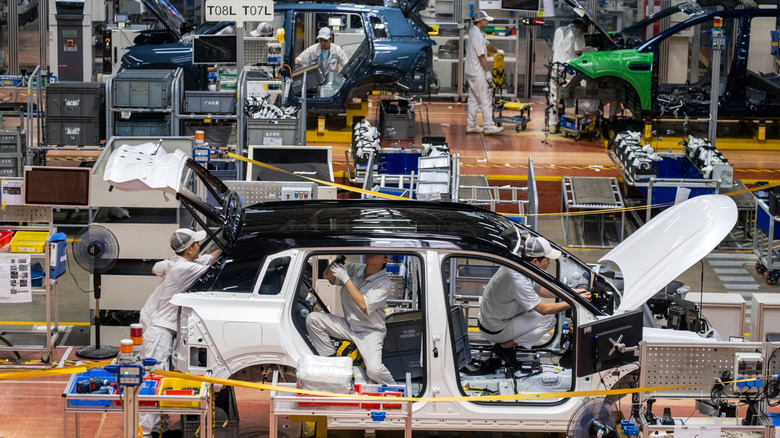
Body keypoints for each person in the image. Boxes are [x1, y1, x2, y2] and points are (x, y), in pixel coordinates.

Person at [138, 228, 222, 438]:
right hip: (159, 330)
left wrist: (221, 246)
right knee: (153, 381)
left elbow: (154, 268)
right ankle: (145, 433)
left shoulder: (174, 264)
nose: (199, 246)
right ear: (188, 249)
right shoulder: (183, 269)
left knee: (160, 378)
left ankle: (159, 430)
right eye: (197, 244)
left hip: (157, 325)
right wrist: (225, 247)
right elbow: (210, 267)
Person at [477, 236, 590, 366]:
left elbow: (540, 289)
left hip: (492, 320)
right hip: (496, 329)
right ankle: (504, 347)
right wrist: (574, 302)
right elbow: (544, 310)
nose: (549, 263)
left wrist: (572, 293)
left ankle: (507, 344)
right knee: (549, 319)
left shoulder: (522, 263)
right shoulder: (517, 279)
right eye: (547, 260)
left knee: (534, 310)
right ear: (536, 260)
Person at [305, 254, 395, 385]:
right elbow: (327, 276)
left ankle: (396, 389)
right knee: (313, 319)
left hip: (369, 331)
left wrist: (346, 279)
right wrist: (338, 260)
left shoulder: (384, 283)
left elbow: (364, 305)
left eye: (377, 253)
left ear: (385, 259)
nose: (371, 254)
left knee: (374, 370)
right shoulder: (355, 269)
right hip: (349, 325)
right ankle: (332, 361)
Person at [465, 10, 505, 135]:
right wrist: (488, 73)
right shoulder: (477, 35)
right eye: (486, 20)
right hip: (478, 72)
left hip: (471, 71)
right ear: (481, 21)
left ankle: (471, 125)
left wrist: (497, 51)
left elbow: (487, 44)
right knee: (485, 99)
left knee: (473, 100)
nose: (487, 22)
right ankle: (489, 126)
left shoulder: (475, 32)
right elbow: (481, 56)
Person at [547, 18, 588, 133]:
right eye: (585, 29)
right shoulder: (578, 32)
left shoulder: (558, 30)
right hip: (569, 69)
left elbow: (555, 48)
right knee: (575, 93)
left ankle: (552, 125)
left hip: (556, 67)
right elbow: (579, 52)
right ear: (581, 25)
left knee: (553, 96)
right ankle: (571, 123)